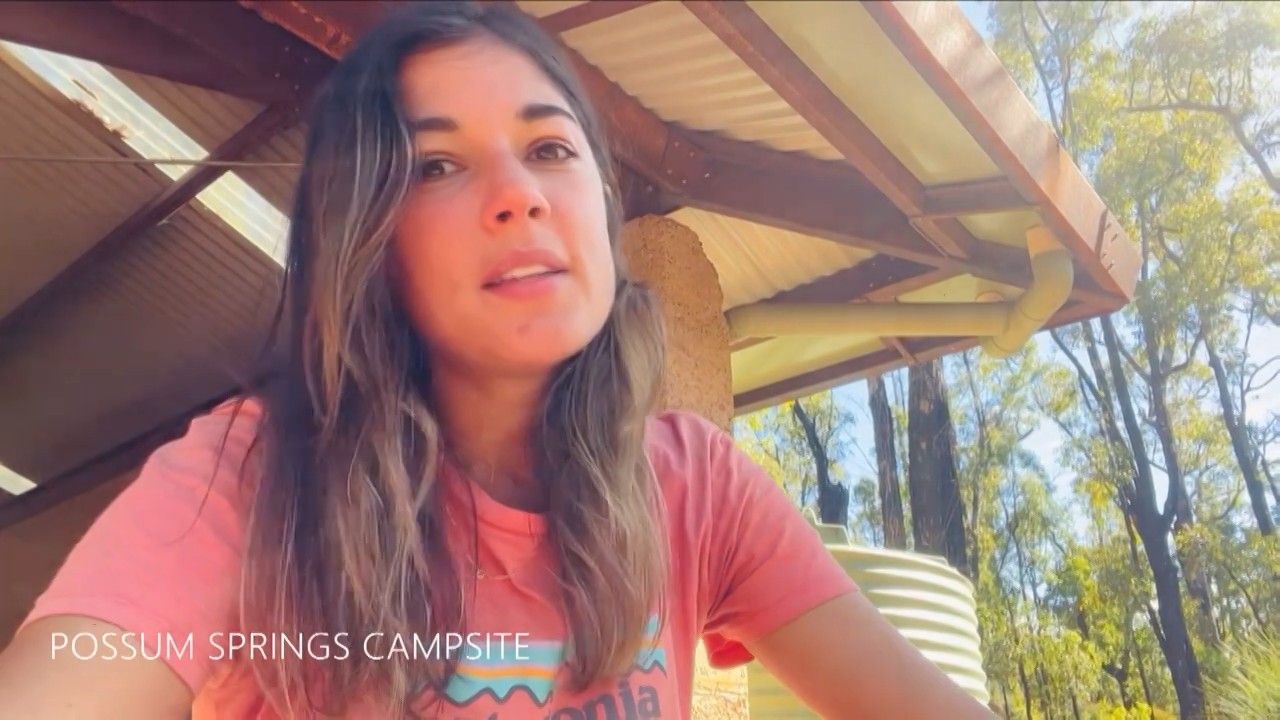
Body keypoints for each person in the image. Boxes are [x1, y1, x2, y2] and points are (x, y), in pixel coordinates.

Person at [0, 3, 992, 718]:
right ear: (366, 239)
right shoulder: (251, 482)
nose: (519, 195)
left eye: (550, 148)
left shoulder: (697, 489)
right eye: (436, 164)